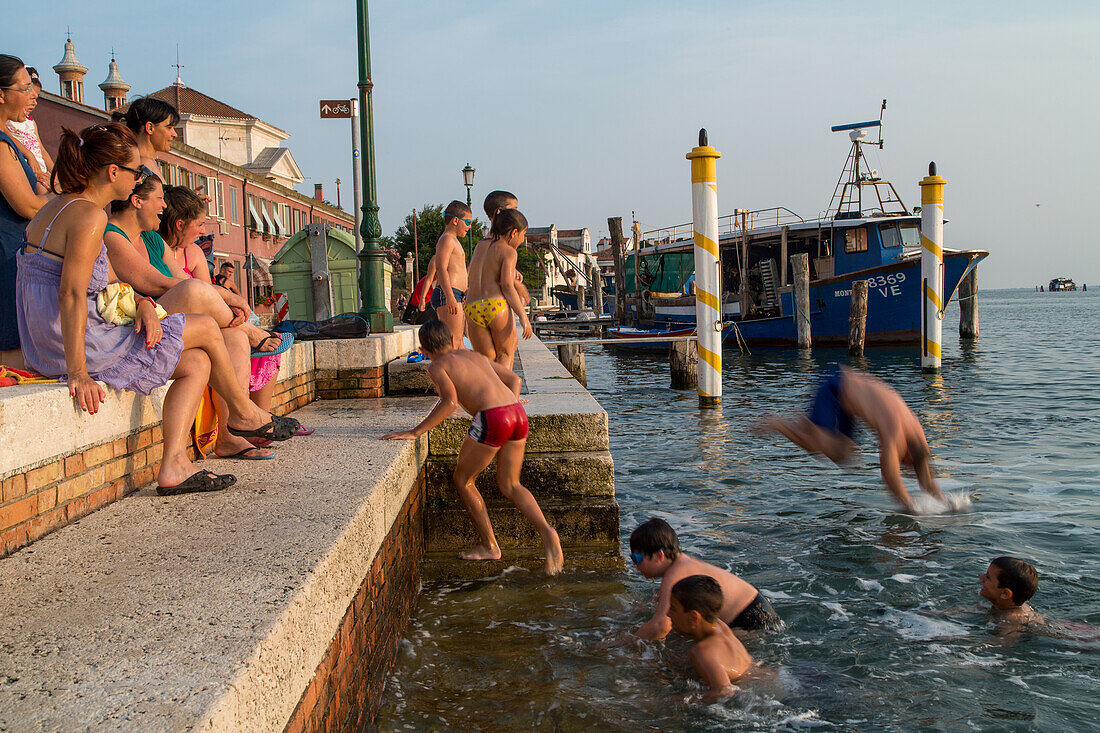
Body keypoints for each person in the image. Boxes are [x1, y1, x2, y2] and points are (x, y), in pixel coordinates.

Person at [15, 123, 298, 494]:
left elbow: (103, 283)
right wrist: (78, 371)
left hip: (50, 338)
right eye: (134, 172)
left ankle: (173, 466)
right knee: (208, 329)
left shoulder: (56, 207)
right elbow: (70, 294)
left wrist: (144, 303)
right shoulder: (90, 216)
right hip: (76, 344)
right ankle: (243, 414)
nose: (137, 181)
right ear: (113, 172)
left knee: (198, 363)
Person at [381, 319, 563, 574]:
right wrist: (507, 403)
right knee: (511, 484)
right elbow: (514, 379)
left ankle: (491, 546)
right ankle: (548, 533)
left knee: (463, 480)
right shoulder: (473, 355)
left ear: (424, 348)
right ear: (451, 339)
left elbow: (450, 403)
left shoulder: (436, 366)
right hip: (517, 413)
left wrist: (415, 431)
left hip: (493, 418)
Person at [754, 365, 950, 513]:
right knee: (825, 450)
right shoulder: (895, 431)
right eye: (904, 463)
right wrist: (913, 509)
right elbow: (890, 477)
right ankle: (780, 424)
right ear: (905, 451)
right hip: (834, 388)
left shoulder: (918, 437)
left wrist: (948, 507)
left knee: (845, 457)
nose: (902, 465)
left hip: (849, 401)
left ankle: (807, 425)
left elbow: (927, 480)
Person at [631, 517, 781, 639]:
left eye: (637, 558)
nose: (635, 565)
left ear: (659, 555)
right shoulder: (682, 563)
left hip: (749, 622)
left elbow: (660, 626)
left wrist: (623, 642)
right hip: (760, 611)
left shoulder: (674, 575)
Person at [0, 55, 50, 368]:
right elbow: (28, 205)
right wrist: (65, 202)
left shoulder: (11, 140)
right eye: (25, 87)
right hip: (5, 254)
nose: (31, 95)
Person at [464, 208, 533, 368]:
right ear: (514, 232)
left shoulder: (480, 246)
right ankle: (504, 393)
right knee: (505, 354)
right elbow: (507, 286)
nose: (523, 240)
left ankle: (488, 392)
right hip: (496, 305)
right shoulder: (509, 252)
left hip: (473, 307)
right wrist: (523, 317)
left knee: (486, 359)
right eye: (523, 235)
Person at [668, 575, 754, 702]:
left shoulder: (701, 651)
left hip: (751, 691)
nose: (668, 613)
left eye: (673, 608)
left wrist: (681, 700)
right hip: (762, 676)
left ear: (693, 618)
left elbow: (724, 691)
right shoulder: (720, 626)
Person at [430, 200, 473, 349]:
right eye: (467, 222)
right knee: (454, 343)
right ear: (455, 220)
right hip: (449, 293)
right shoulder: (446, 240)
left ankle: (473, 370)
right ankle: (448, 372)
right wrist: (450, 297)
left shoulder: (453, 240)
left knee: (459, 342)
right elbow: (440, 267)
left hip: (457, 294)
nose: (469, 226)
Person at [5, 67, 52, 189]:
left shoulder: (30, 123)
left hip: (42, 172)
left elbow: (42, 150)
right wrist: (29, 155)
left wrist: (56, 175)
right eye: (29, 95)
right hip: (27, 174)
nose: (34, 102)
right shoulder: (7, 122)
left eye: (36, 98)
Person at [112, 96, 179, 177]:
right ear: (150, 128)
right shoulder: (138, 167)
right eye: (169, 128)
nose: (174, 134)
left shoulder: (150, 163)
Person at [980, 556, 1039, 624]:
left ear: (1005, 594)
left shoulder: (1011, 620)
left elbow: (1006, 634)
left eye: (988, 577)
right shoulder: (1001, 604)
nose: (981, 578)